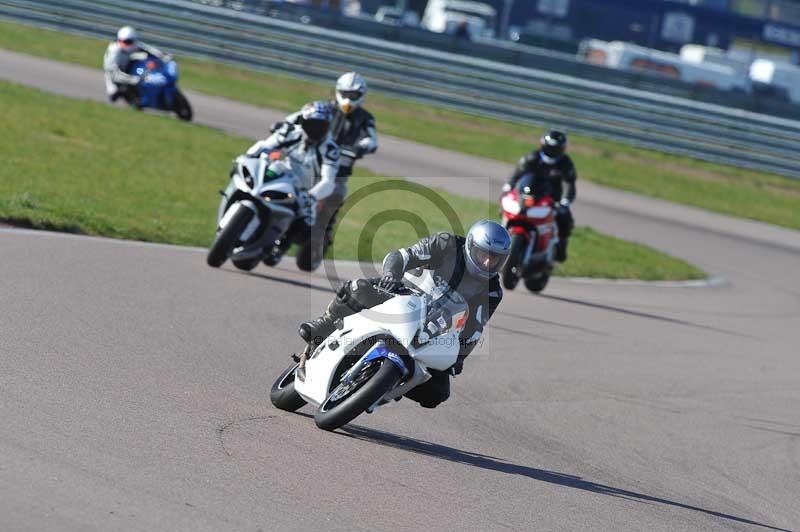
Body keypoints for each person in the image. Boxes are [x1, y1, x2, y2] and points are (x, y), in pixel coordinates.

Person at [297, 220, 510, 409]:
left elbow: (474, 328)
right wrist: (391, 276)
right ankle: (323, 325)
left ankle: (387, 381)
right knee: (357, 288)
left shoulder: (492, 291)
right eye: (485, 255)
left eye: (496, 259)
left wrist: (459, 357)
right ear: (471, 246)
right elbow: (401, 256)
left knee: (437, 393)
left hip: (435, 328)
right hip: (402, 295)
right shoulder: (447, 244)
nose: (488, 264)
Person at [272, 72, 378, 250]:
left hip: (339, 169)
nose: (348, 99)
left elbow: (371, 139)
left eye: (353, 96)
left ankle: (325, 229)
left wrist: (360, 147)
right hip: (308, 159)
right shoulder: (323, 108)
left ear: (361, 96)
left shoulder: (365, 118)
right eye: (345, 94)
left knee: (336, 193)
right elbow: (297, 117)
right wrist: (284, 125)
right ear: (337, 91)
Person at [246, 101, 340, 266]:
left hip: (308, 190)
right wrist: (249, 157)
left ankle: (280, 248)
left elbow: (328, 181)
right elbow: (265, 146)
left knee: (306, 219)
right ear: (303, 123)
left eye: (321, 126)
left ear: (327, 127)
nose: (316, 130)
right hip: (283, 175)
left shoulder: (330, 150)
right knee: (262, 176)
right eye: (312, 124)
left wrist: (311, 196)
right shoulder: (292, 133)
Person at [504, 130, 577, 262]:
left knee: (565, 217)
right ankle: (501, 235)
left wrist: (565, 201)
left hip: (552, 199)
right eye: (550, 148)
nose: (552, 152)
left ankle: (561, 247)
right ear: (543, 145)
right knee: (507, 207)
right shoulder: (532, 157)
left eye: (555, 149)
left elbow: (570, 185)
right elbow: (517, 173)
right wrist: (509, 186)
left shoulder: (565, 163)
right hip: (529, 194)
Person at [103, 26, 169, 104]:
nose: (128, 44)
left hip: (128, 63)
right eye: (125, 42)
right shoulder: (113, 53)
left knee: (142, 61)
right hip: (114, 74)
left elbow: (147, 49)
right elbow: (115, 75)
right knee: (114, 95)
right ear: (119, 40)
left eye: (130, 42)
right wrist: (133, 79)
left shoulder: (133, 44)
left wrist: (162, 56)